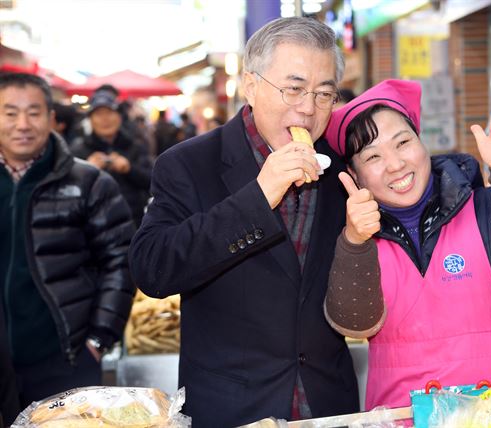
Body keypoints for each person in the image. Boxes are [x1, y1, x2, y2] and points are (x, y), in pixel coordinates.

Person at [129, 17, 359, 426]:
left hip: (328, 404)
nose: (308, 108)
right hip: (231, 407)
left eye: (324, 93)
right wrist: (258, 198)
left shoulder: (344, 167)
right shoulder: (189, 164)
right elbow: (153, 269)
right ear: (251, 86)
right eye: (293, 88)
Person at [323, 79, 491, 409]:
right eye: (373, 157)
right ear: (354, 175)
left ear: (422, 142)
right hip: (401, 416)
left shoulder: (485, 207)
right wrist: (354, 241)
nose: (396, 164)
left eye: (403, 142)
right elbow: (354, 323)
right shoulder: (356, 235)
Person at [0, 73, 136, 408]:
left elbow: (121, 260)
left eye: (33, 112)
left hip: (65, 359)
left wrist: (98, 339)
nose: (22, 124)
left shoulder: (89, 182)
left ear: (51, 119)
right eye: (10, 113)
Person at [70, 90, 153, 227]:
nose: (105, 119)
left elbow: (152, 182)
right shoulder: (78, 149)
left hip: (134, 222)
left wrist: (129, 169)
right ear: (90, 119)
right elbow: (69, 191)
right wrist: (87, 170)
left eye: (109, 112)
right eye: (98, 114)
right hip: (92, 224)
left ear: (119, 116)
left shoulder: (135, 146)